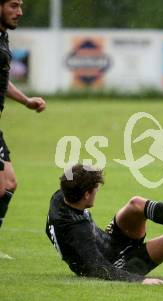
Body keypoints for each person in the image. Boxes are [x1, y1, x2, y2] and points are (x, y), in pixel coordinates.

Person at [0, 0, 46, 259]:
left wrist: (26, 101)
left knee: (8, 183)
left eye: (21, 5)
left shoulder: (3, 36)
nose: (20, 12)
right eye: (13, 5)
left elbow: (2, 80)